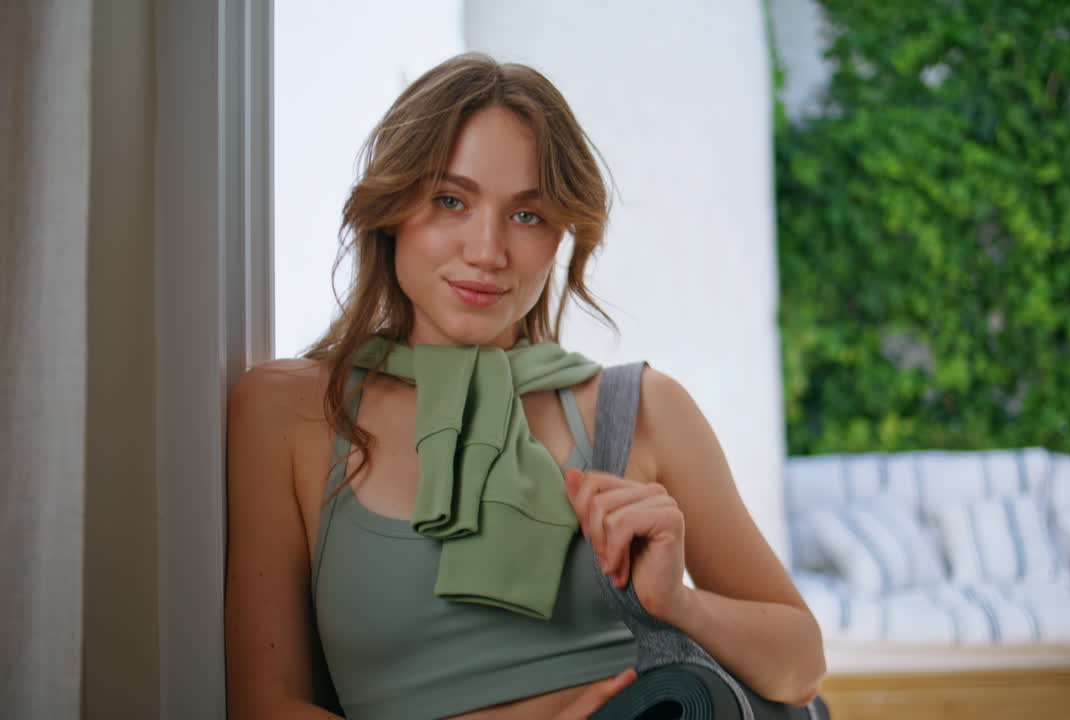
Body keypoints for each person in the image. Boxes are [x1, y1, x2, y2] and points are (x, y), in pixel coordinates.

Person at [225, 52, 825, 720]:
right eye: (450, 201)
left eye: (527, 215)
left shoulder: (640, 409)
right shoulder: (292, 411)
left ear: (562, 234)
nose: (487, 251)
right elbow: (264, 704)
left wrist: (675, 603)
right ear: (392, 209)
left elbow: (801, 667)